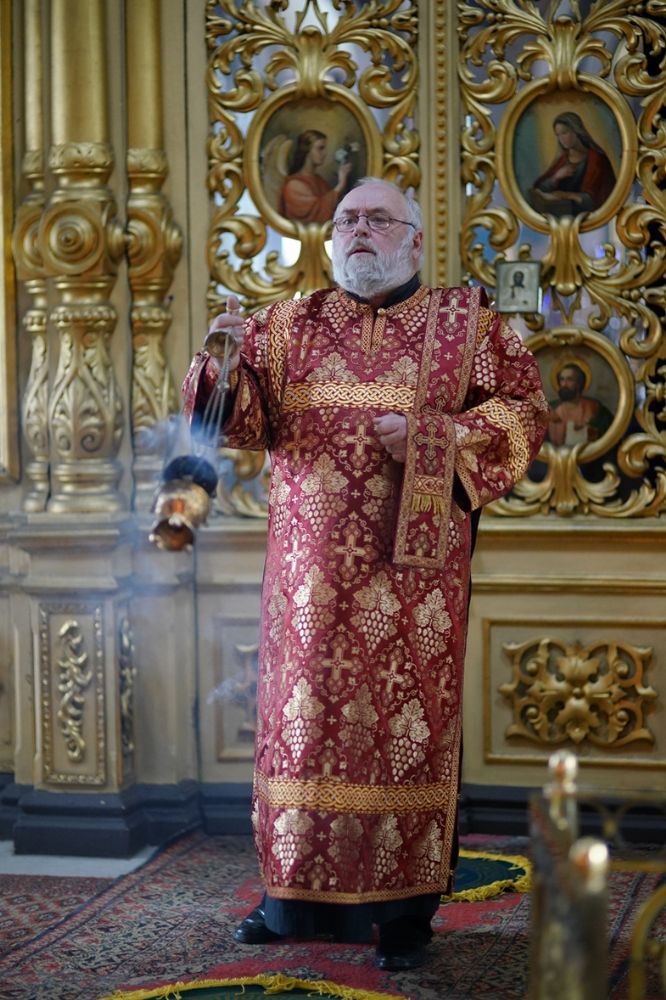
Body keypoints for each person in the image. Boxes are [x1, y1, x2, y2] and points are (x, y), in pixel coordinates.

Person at [182, 178, 549, 971]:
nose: (358, 231)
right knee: (302, 735)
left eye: (378, 219)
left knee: (400, 738)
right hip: (306, 588)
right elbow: (237, 423)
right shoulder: (288, 323)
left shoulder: (467, 324)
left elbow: (522, 413)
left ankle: (404, 916)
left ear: (414, 239)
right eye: (347, 219)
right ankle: (288, 904)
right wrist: (221, 362)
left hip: (410, 587)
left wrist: (436, 437)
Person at [528, 112, 616, 218]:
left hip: (588, 218)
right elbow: (540, 188)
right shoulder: (563, 160)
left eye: (564, 133)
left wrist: (567, 195)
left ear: (576, 131)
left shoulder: (597, 159)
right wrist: (556, 177)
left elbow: (601, 199)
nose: (561, 139)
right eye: (558, 135)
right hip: (559, 215)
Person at [279, 129, 352, 224]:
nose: (325, 153)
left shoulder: (319, 180)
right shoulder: (293, 185)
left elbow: (336, 209)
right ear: (307, 150)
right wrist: (341, 184)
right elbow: (318, 212)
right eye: (320, 148)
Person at [547, 362, 613, 446]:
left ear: (579, 383)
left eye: (569, 379)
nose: (564, 384)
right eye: (562, 379)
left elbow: (610, 436)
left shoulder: (595, 408)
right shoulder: (551, 408)